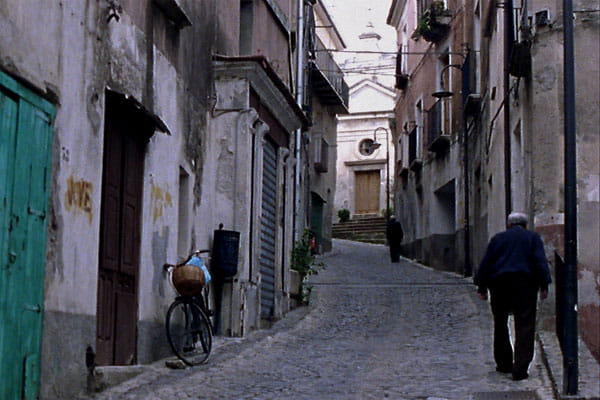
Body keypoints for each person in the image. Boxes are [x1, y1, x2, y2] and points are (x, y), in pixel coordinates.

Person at [474, 212, 551, 381]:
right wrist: (544, 284)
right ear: (525, 225)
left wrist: (482, 286)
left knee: (500, 323)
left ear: (508, 224)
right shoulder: (532, 238)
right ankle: (520, 368)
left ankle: (504, 363)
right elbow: (540, 261)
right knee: (525, 325)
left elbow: (487, 263)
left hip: (500, 285)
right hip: (525, 284)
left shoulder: (498, 239)